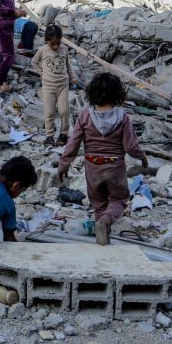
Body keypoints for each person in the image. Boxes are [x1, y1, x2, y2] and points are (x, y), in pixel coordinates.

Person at [57, 72, 148, 245]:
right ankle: (105, 223)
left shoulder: (84, 116)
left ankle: (103, 234)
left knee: (98, 202)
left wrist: (63, 165)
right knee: (119, 199)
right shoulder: (123, 117)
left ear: (91, 94)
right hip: (115, 165)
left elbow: (73, 144)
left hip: (92, 165)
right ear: (118, 94)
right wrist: (142, 157)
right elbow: (130, 147)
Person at [31, 24, 77, 146]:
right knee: (49, 112)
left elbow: (68, 65)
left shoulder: (64, 49)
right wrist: (42, 73)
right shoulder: (42, 50)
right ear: (46, 40)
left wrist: (72, 78)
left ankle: (64, 134)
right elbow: (34, 62)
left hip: (63, 85)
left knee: (64, 111)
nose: (56, 46)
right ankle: (49, 135)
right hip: (48, 86)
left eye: (58, 43)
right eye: (52, 44)